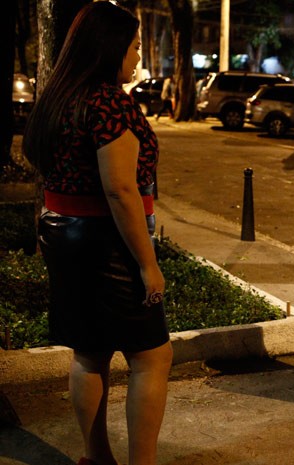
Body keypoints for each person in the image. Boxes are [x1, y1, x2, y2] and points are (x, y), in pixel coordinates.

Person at [22, 3, 172, 465]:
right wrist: (147, 264)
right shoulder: (108, 100)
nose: (137, 59)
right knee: (152, 356)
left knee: (89, 352)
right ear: (109, 49)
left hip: (61, 234)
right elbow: (121, 190)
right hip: (105, 242)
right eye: (133, 48)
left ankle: (97, 457)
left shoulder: (59, 96)